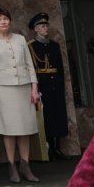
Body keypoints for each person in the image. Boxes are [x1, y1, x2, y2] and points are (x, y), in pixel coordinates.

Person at [0, 8, 40, 184]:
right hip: (2, 88)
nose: (3, 22)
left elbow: (30, 65)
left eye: (5, 18)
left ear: (10, 21)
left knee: (25, 127)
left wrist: (34, 88)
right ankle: (11, 165)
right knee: (9, 128)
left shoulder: (20, 39)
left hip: (24, 86)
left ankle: (25, 165)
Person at [27, 12, 70, 161]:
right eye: (43, 26)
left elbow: (59, 67)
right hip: (42, 84)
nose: (46, 28)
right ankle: (49, 148)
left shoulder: (54, 45)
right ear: (35, 28)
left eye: (47, 25)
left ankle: (57, 148)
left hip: (55, 84)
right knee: (47, 116)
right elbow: (31, 68)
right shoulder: (31, 46)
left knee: (58, 114)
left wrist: (60, 82)